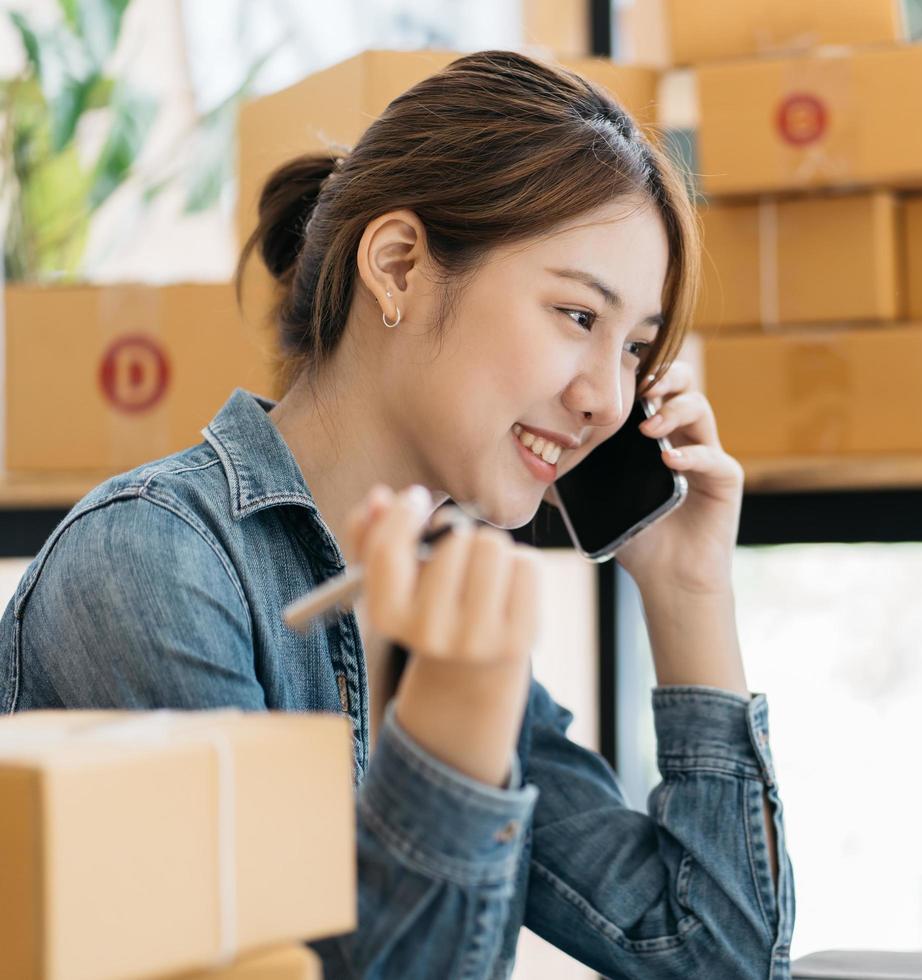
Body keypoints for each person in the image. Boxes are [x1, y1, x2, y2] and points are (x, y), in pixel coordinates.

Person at [0, 51, 793, 979]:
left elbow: (717, 958)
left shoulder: (431, 601)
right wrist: (451, 727)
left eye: (638, 349)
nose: (611, 401)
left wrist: (689, 591)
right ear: (399, 265)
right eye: (579, 317)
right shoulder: (151, 565)